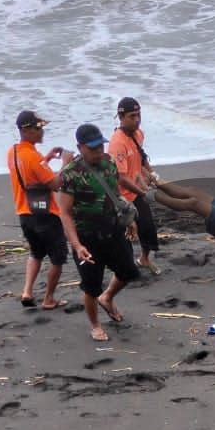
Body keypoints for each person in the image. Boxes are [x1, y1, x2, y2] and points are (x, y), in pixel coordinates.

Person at [57, 123, 147, 342]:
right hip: (87, 237)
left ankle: (108, 297)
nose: (98, 151)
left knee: (128, 272)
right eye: (93, 148)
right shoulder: (70, 174)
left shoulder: (108, 164)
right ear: (80, 147)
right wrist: (77, 245)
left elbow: (116, 195)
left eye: (100, 146)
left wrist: (129, 220)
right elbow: (65, 213)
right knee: (91, 286)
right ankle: (95, 325)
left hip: (114, 229)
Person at [7, 110, 74, 309]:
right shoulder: (33, 158)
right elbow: (55, 184)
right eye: (38, 128)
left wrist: (47, 158)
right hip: (44, 214)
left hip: (24, 213)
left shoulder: (13, 152)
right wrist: (66, 164)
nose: (41, 131)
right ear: (26, 130)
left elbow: (30, 173)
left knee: (36, 253)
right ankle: (49, 298)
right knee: (58, 257)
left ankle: (27, 291)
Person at [108, 97, 161, 274]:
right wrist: (143, 191)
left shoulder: (138, 134)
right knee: (126, 234)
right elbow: (121, 178)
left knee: (148, 227)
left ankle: (144, 259)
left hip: (136, 189)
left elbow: (141, 157)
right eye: (132, 116)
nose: (137, 119)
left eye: (139, 115)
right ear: (121, 117)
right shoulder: (117, 143)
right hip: (120, 195)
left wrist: (152, 174)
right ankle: (127, 266)